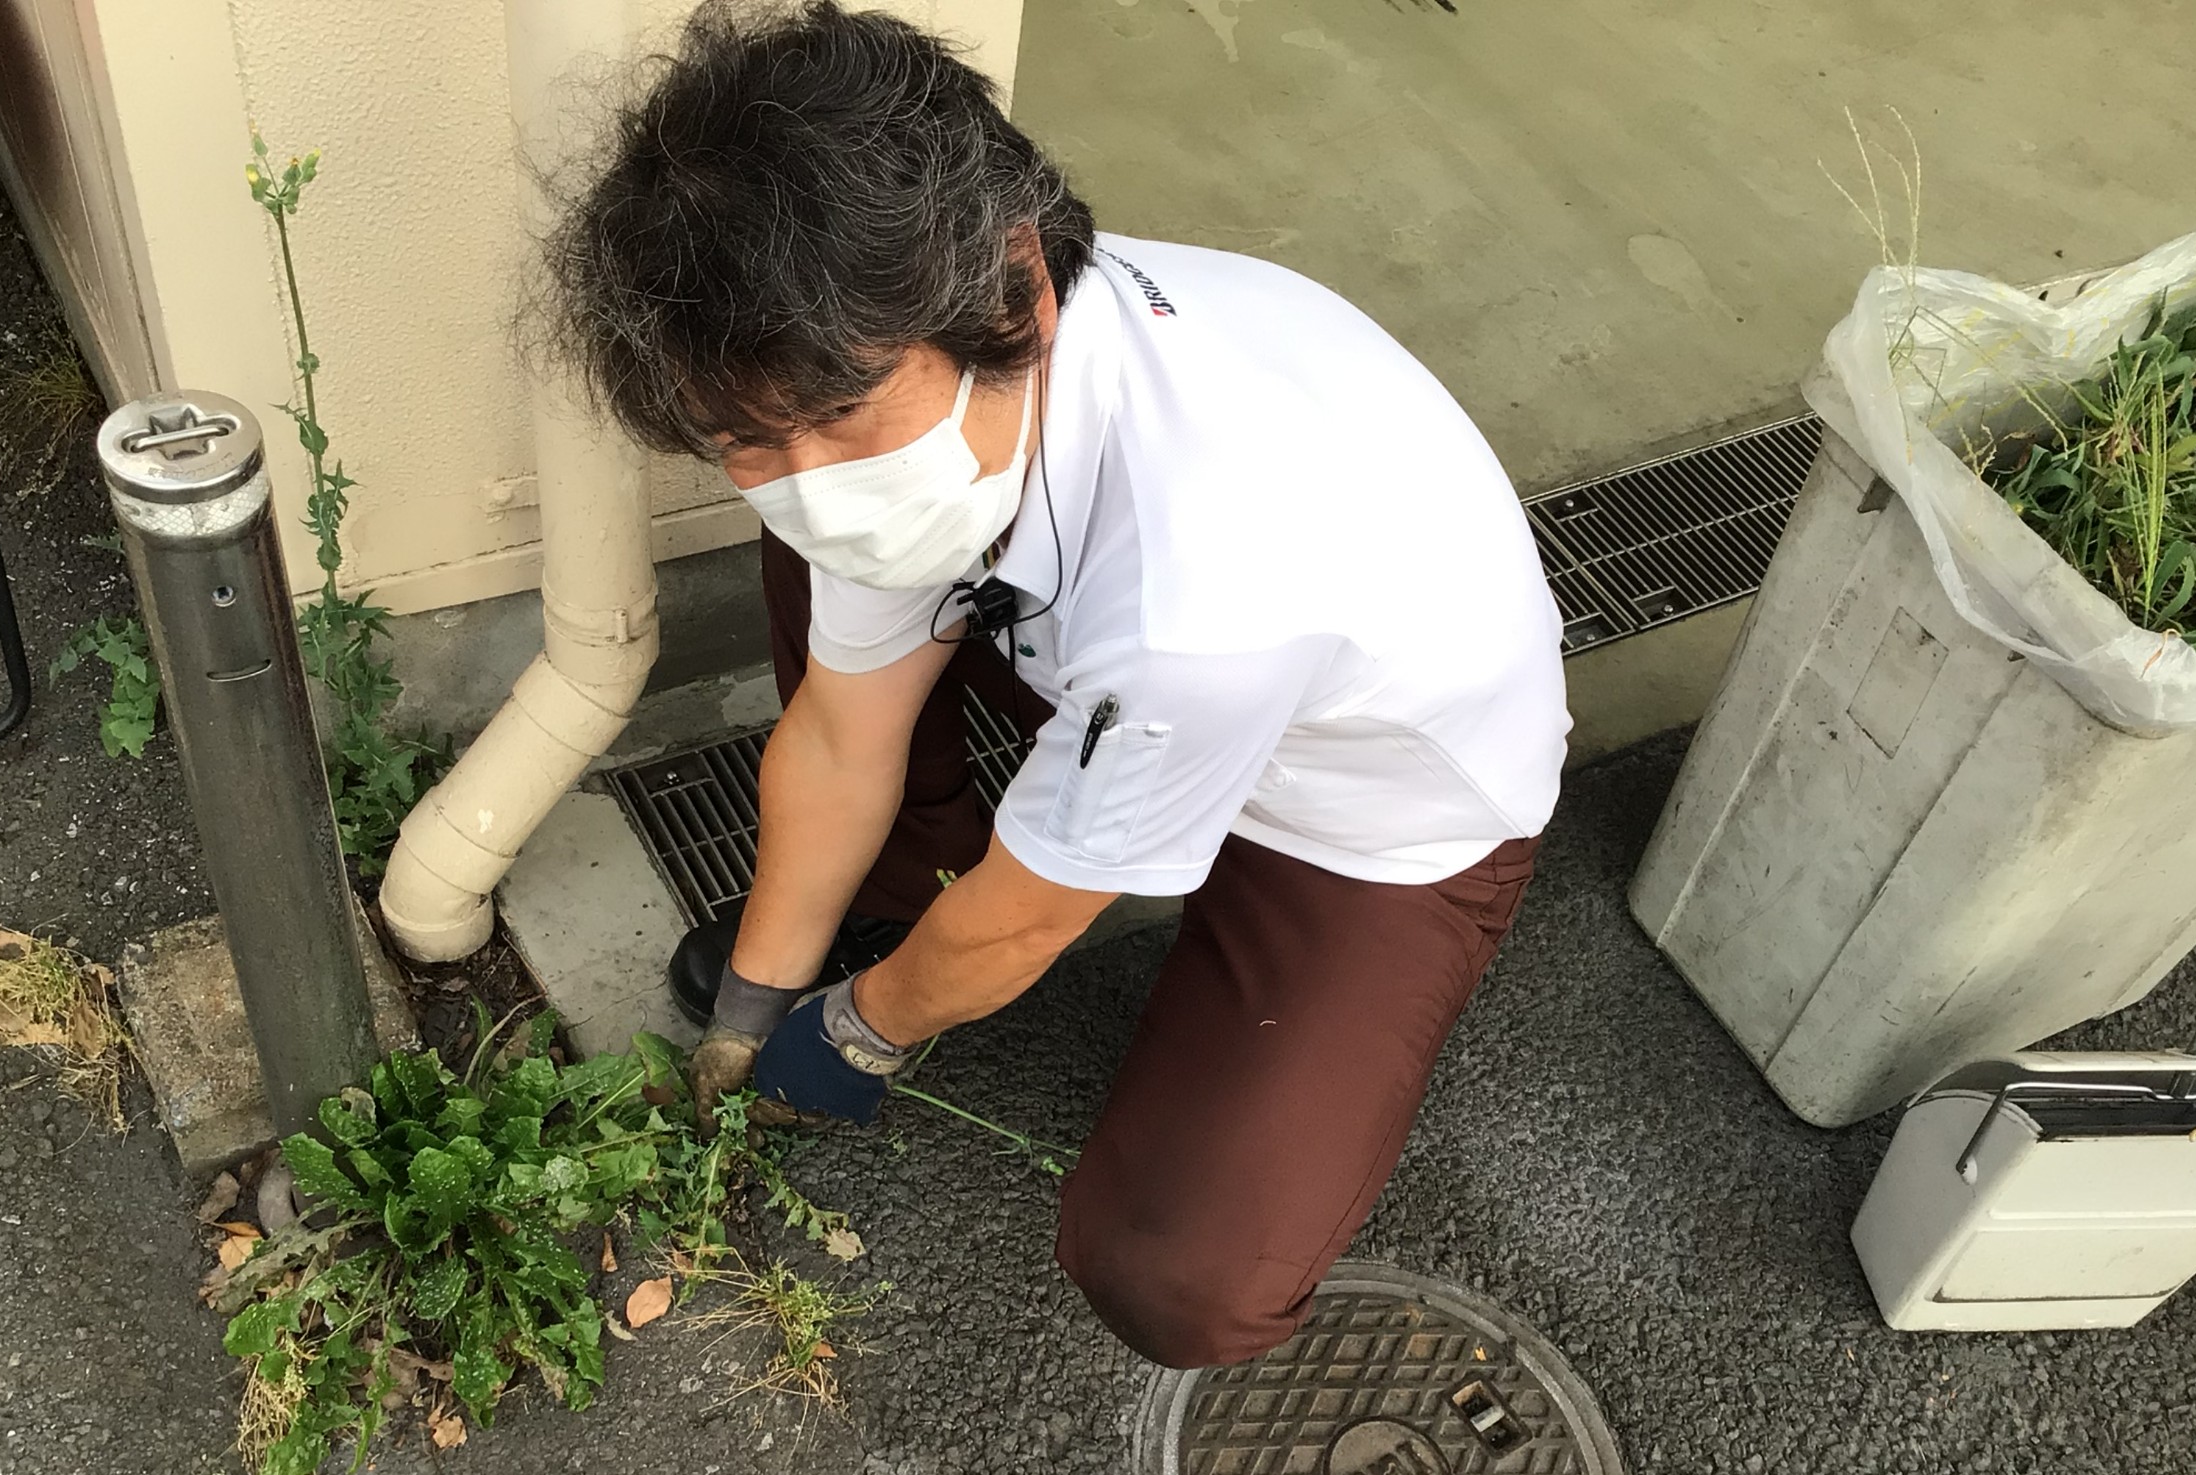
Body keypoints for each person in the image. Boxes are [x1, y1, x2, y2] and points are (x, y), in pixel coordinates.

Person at [551, 0, 1567, 1368]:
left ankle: (988, 949)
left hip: (1368, 816)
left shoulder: (1209, 578)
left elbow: (1029, 923)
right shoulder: (920, 372)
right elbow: (842, 739)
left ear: (1012, 291)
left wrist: (852, 1037)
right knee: (818, 553)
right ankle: (902, 895)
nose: (808, 477)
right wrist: (749, 1007)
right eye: (745, 439)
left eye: (839, 416)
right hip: (1146, 687)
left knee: (1179, 1277)